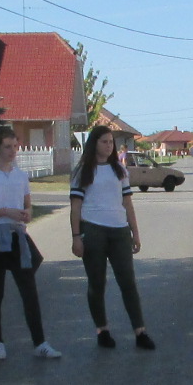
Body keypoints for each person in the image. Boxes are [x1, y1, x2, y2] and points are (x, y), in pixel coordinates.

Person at [0, 129, 60, 361]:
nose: (12, 151)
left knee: (29, 291)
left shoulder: (21, 176)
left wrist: (27, 213)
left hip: (17, 236)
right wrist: (4, 211)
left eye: (15, 146)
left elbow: (27, 204)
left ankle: (40, 343)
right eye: (7, 147)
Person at [70, 123, 155, 350]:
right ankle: (102, 330)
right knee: (97, 283)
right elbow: (75, 207)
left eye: (111, 142)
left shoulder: (120, 170)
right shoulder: (82, 171)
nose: (109, 146)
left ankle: (140, 332)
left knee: (128, 281)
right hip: (93, 230)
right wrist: (76, 236)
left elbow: (128, 203)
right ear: (94, 144)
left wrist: (135, 232)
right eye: (104, 142)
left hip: (119, 231)